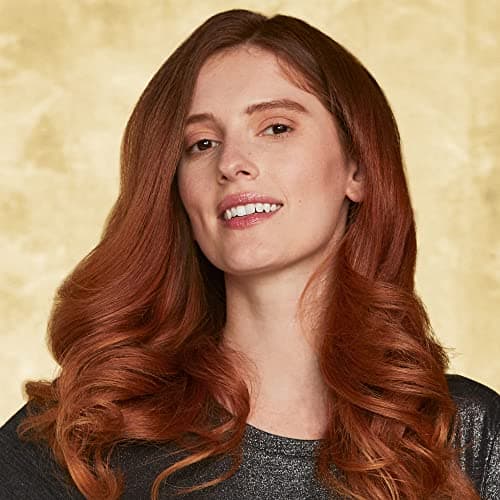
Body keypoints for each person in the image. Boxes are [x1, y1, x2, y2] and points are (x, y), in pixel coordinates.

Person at [0, 8, 498, 500]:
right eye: (202, 143)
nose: (231, 163)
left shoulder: (463, 436)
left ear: (358, 170)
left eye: (276, 128)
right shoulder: (83, 436)